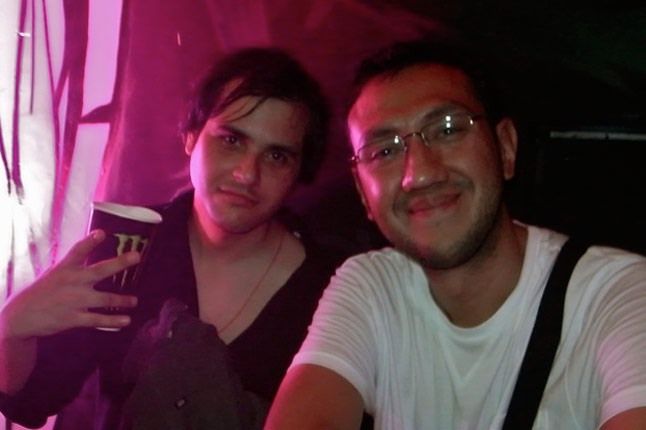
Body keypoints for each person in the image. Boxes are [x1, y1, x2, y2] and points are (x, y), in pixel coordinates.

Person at [265, 37, 646, 429]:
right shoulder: (373, 286)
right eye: (384, 151)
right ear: (363, 192)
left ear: (505, 147)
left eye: (447, 130)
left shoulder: (617, 292)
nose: (420, 174)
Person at [0, 47, 348, 429]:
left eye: (277, 156)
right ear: (191, 137)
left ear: (299, 173)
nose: (248, 174)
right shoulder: (128, 247)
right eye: (231, 140)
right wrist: (12, 329)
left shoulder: (333, 290)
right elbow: (32, 399)